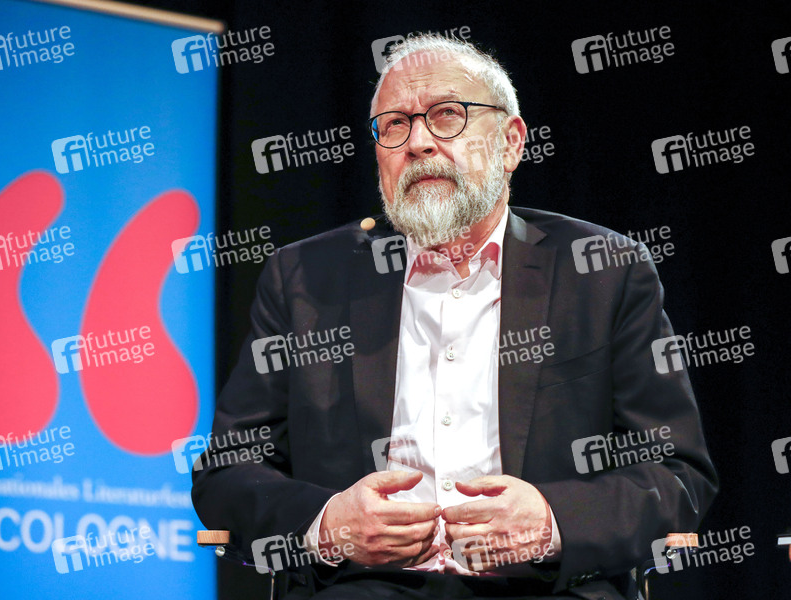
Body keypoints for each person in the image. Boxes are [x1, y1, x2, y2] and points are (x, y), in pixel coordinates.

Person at [192, 34, 717, 600]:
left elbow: (676, 473)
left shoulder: (602, 271)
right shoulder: (305, 279)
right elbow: (227, 472)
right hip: (366, 586)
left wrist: (552, 521)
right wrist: (328, 523)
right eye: (394, 125)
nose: (418, 143)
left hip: (544, 586)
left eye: (447, 115)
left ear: (511, 142)